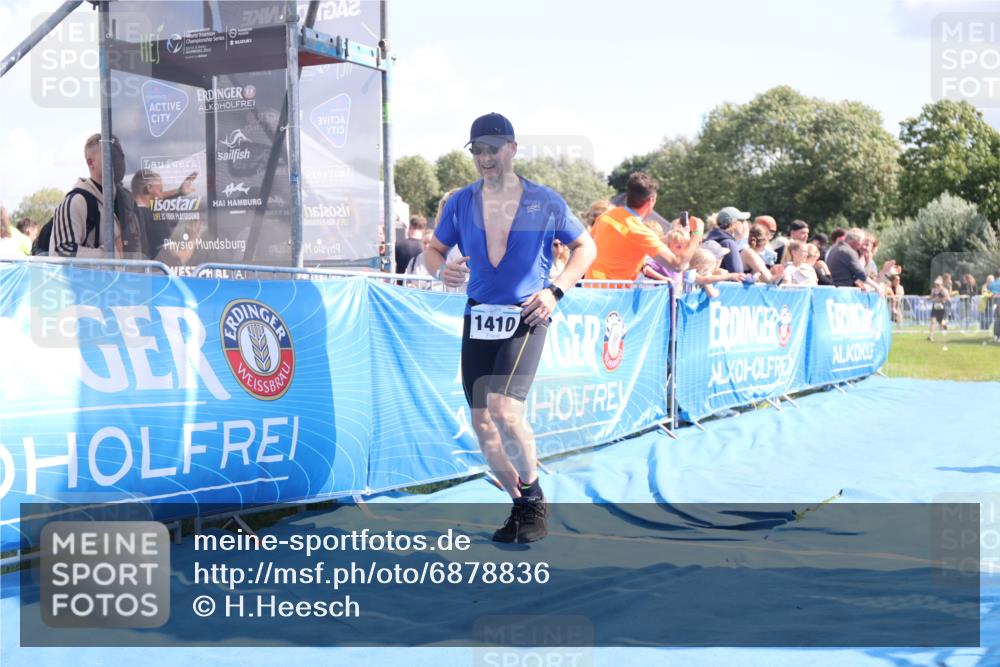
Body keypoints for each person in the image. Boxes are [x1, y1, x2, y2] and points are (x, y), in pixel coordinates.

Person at [424, 113, 597, 544]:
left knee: (503, 410)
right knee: (482, 422)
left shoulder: (544, 200)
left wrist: (555, 291)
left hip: (526, 315)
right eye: (477, 150)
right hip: (479, 315)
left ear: (513, 149)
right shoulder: (461, 201)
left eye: (492, 148)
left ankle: (534, 497)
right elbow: (434, 251)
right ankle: (520, 507)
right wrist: (440, 269)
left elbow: (586, 247)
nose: (485, 157)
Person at [586, 172, 702, 282]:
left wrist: (672, 235)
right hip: (614, 296)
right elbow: (678, 264)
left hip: (591, 289)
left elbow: (596, 246)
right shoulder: (640, 231)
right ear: (651, 201)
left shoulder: (607, 215)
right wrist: (697, 233)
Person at [50, 134, 138, 258]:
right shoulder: (77, 201)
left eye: (120, 156)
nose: (118, 161)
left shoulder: (124, 201)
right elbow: (61, 253)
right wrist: (111, 255)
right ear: (91, 162)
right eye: (110, 155)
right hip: (89, 278)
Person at [130, 168, 199, 262]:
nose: (162, 193)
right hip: (154, 274)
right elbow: (177, 260)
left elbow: (158, 196)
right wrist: (193, 237)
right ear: (149, 188)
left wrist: (179, 191)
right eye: (160, 189)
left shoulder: (125, 213)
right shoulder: (157, 219)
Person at [704, 206, 749, 274]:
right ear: (734, 223)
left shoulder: (709, 240)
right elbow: (738, 274)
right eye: (742, 221)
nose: (744, 224)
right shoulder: (729, 243)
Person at [929, 276, 950, 341]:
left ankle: (944, 325)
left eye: (938, 284)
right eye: (936, 284)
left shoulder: (944, 290)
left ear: (941, 284)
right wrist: (929, 299)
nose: (936, 286)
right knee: (932, 321)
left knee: (940, 322)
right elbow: (931, 297)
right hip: (935, 307)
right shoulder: (933, 290)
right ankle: (931, 336)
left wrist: (940, 299)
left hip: (941, 308)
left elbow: (948, 298)